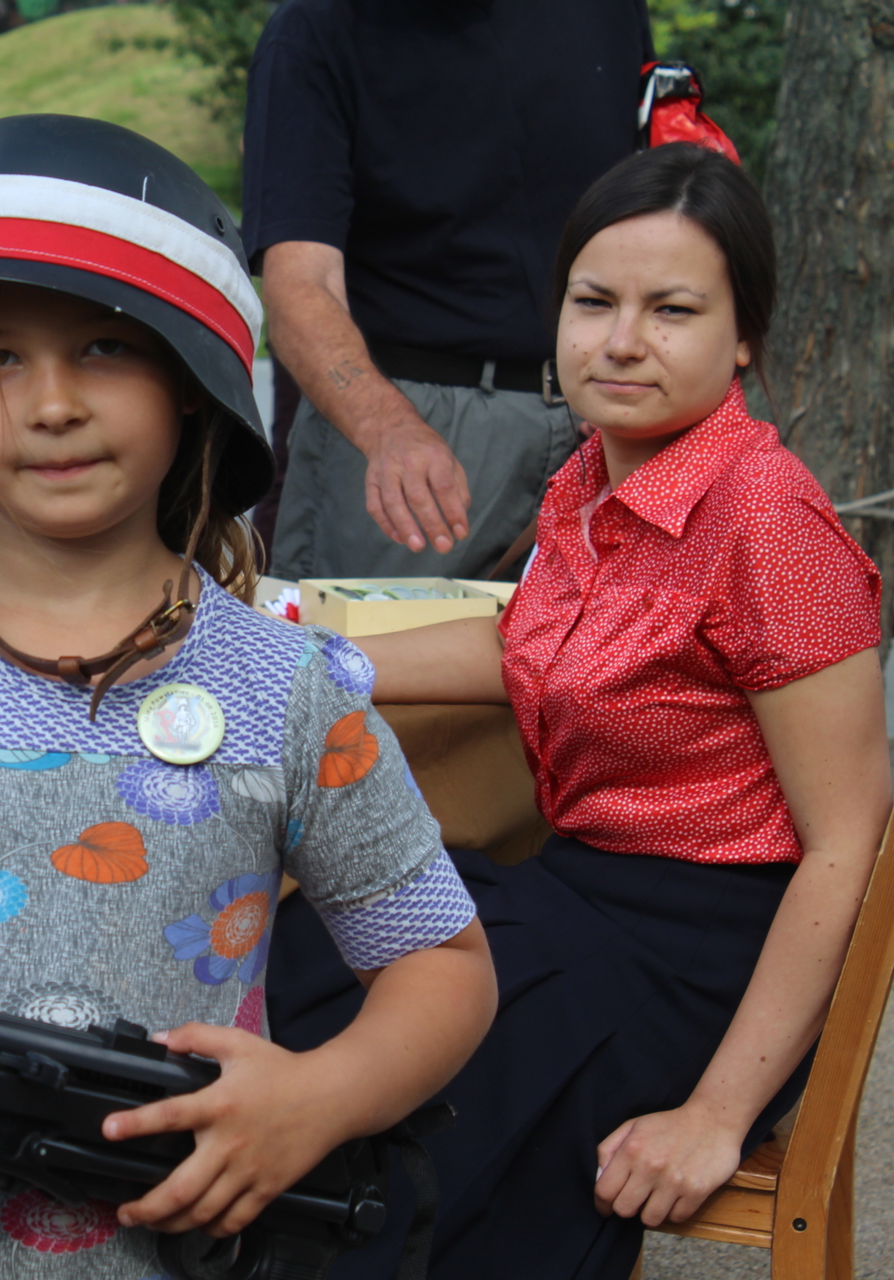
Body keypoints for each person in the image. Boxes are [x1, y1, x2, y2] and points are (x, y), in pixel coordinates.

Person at [0, 114, 498, 1280]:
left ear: (192, 385)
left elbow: (443, 965)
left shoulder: (285, 690)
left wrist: (318, 1098)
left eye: (107, 349)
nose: (51, 401)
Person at [266, 144, 888, 1280]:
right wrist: (291, 659)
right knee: (316, 947)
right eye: (594, 302)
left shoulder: (767, 519)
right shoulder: (593, 476)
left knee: (426, 1091)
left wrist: (714, 1111)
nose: (622, 339)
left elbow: (851, 838)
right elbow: (529, 648)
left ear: (744, 335)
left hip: (710, 956)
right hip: (582, 890)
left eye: (673, 309)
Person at [243, 0, 653, 581]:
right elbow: (297, 288)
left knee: (597, 670)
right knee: (372, 669)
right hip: (412, 438)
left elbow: (648, 215)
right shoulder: (315, 31)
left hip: (601, 425)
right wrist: (388, 429)